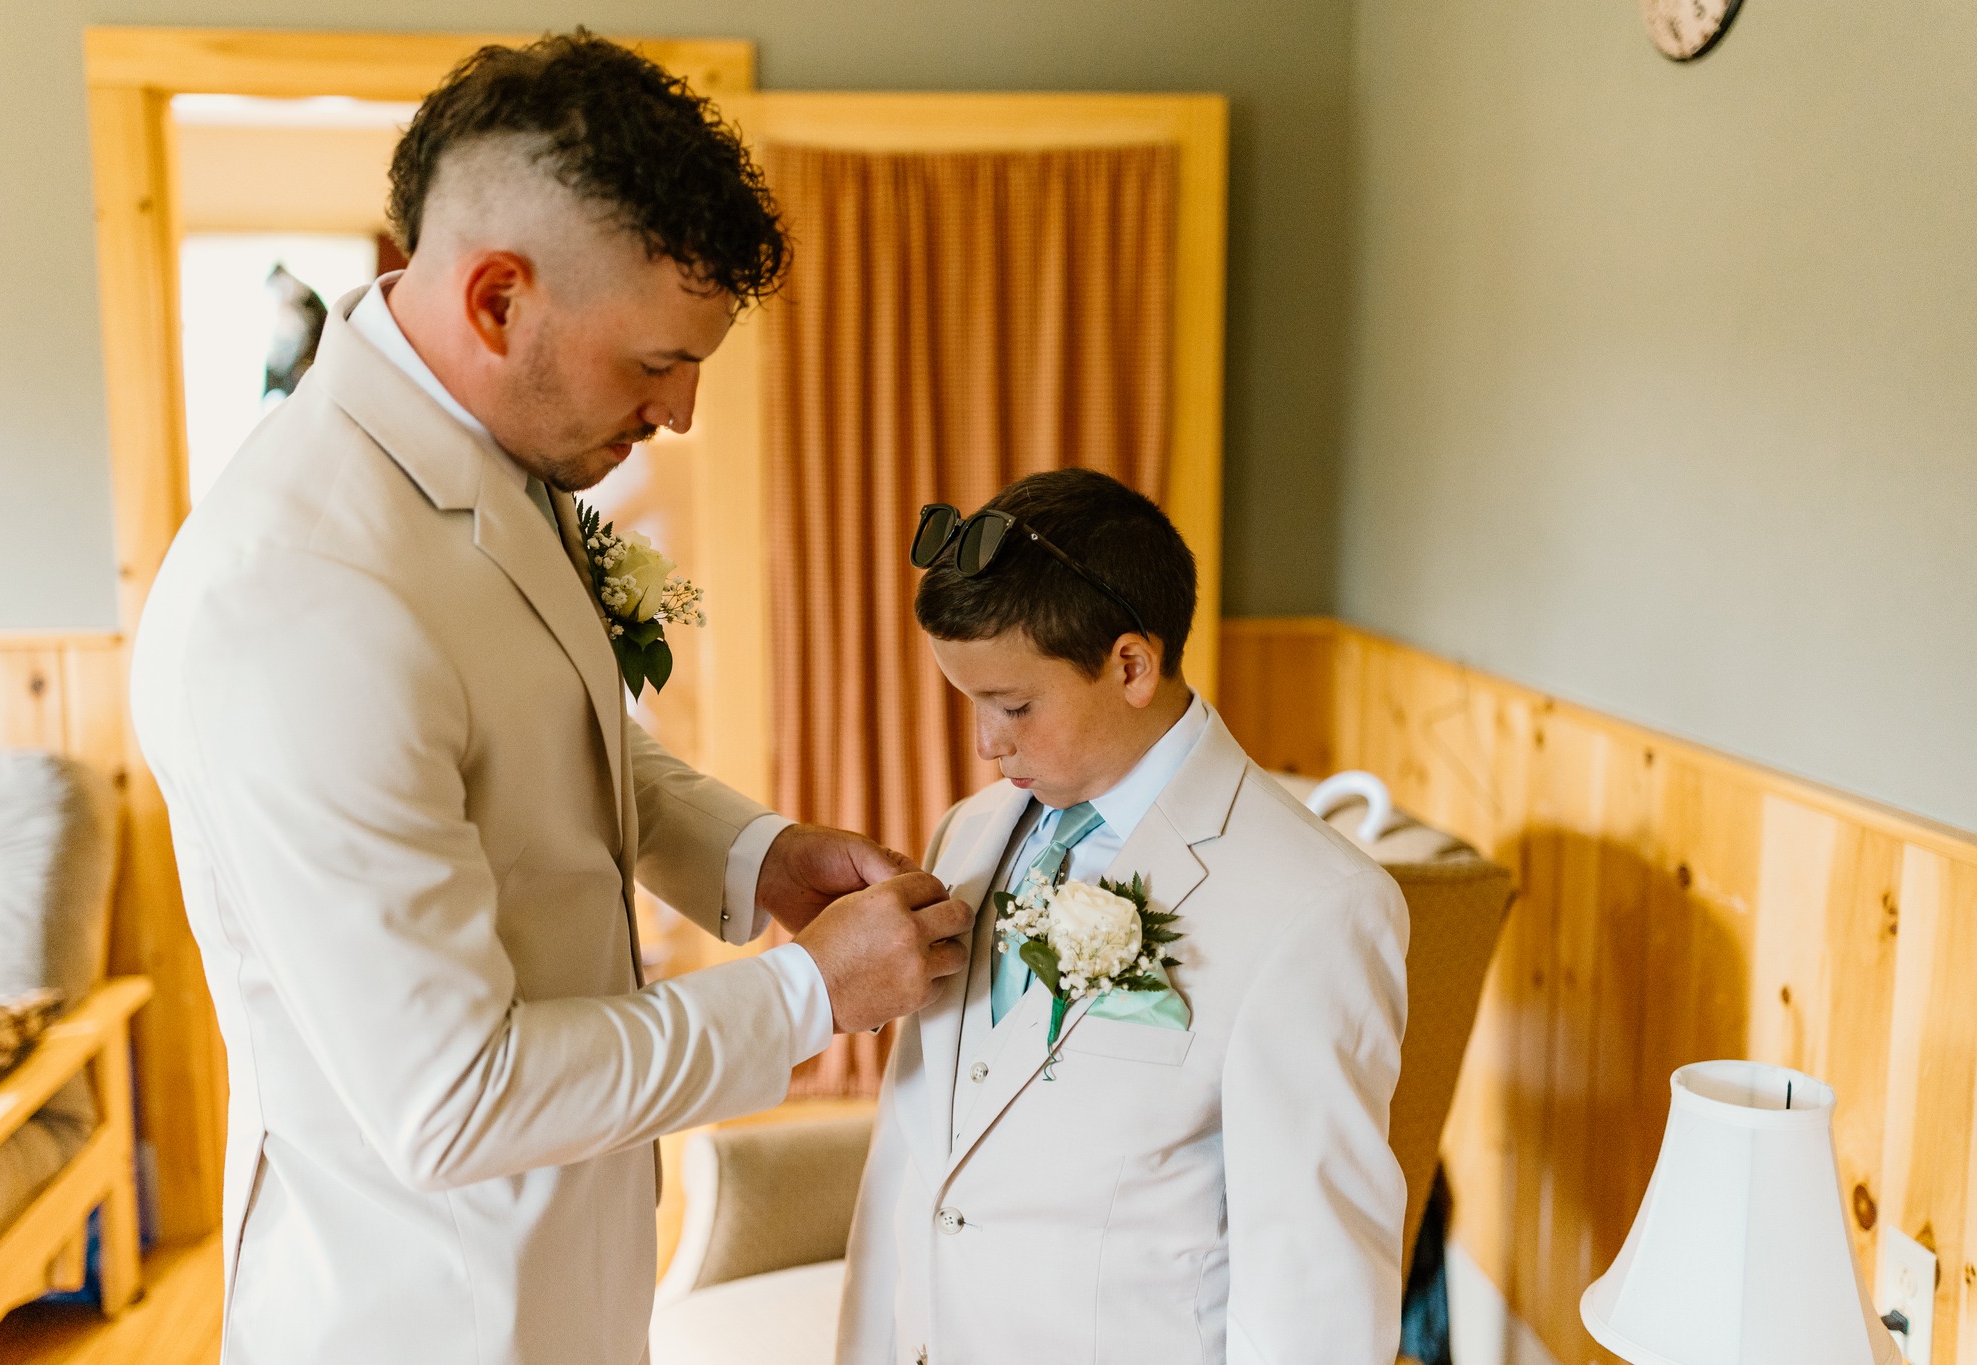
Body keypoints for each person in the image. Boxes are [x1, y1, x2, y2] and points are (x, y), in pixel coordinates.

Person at [131, 34, 972, 1365]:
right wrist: (812, 994)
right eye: (653, 363)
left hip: (568, 1266)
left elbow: (545, 744)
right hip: (422, 1314)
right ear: (495, 302)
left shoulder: (490, 461)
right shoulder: (298, 599)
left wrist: (761, 859)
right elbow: (452, 1101)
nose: (683, 412)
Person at [837, 469, 1410, 1365]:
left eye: (1014, 704)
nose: (986, 741)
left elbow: (1314, 1279)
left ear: (1131, 664)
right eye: (969, 701)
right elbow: (911, 1159)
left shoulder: (1317, 907)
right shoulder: (969, 830)